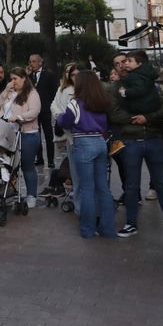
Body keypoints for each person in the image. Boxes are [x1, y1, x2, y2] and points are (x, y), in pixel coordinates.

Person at [108, 53, 163, 241]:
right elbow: (115, 114)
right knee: (131, 186)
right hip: (132, 140)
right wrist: (141, 118)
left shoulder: (150, 84)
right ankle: (131, 223)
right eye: (117, 64)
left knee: (161, 184)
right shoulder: (116, 88)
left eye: (125, 61)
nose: (122, 66)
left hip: (153, 139)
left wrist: (146, 118)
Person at [55, 70, 114, 238]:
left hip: (83, 143)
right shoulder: (101, 102)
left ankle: (88, 229)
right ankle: (107, 228)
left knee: (87, 188)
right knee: (103, 188)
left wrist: (59, 118)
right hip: (101, 143)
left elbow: (64, 121)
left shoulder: (76, 103)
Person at [0, 67, 44, 209]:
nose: (13, 81)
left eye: (15, 79)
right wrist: (5, 91)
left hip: (27, 134)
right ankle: (8, 192)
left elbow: (34, 111)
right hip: (9, 133)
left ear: (24, 78)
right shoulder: (11, 93)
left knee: (27, 166)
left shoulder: (32, 93)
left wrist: (19, 117)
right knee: (9, 165)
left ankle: (31, 195)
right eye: (11, 79)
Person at [48, 63, 78, 192]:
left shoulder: (81, 90)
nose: (71, 76)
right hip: (62, 129)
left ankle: (63, 185)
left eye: (74, 73)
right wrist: (60, 116)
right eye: (68, 72)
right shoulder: (62, 89)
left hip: (75, 131)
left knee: (71, 162)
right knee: (64, 159)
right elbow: (54, 104)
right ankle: (60, 186)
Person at [28, 54, 60, 169]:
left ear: (40, 62)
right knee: (36, 135)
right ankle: (39, 158)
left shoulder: (48, 75)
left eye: (34, 61)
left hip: (45, 109)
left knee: (48, 135)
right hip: (33, 110)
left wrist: (50, 104)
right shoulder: (29, 76)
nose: (32, 64)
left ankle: (51, 160)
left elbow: (54, 91)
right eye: (30, 61)